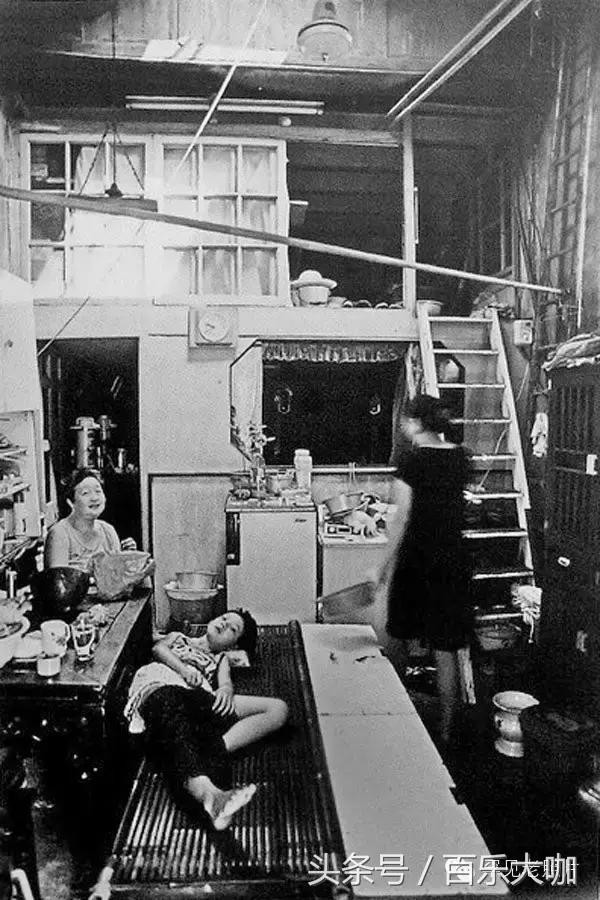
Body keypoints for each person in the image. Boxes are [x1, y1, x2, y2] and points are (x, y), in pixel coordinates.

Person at [124, 610, 289, 830]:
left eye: (233, 629)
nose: (224, 624)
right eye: (224, 618)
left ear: (233, 646)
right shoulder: (179, 638)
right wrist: (183, 670)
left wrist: (226, 691)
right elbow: (158, 649)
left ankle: (215, 750)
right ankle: (209, 792)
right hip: (161, 688)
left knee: (278, 708)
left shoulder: (221, 659)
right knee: (173, 710)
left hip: (198, 699)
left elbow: (225, 682)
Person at [375, 394, 473, 745]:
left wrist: (381, 567)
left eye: (405, 420)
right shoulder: (461, 457)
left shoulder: (412, 461)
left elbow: (400, 519)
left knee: (398, 636)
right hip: (453, 561)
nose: (403, 425)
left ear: (416, 422)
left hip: (417, 561)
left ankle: (395, 713)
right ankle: (446, 729)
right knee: (445, 648)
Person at [44, 467, 139, 572]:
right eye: (86, 493)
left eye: (98, 491)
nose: (94, 498)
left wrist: (126, 557)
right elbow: (58, 579)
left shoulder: (108, 531)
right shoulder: (59, 534)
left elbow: (117, 575)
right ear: (71, 502)